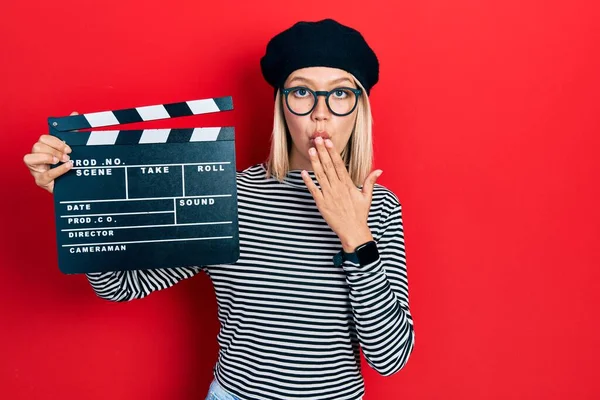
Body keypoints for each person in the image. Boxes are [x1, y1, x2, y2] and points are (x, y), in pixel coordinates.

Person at [23, 18, 415, 400]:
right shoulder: (231, 194)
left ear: (359, 106)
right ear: (282, 103)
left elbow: (390, 358)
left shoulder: (378, 206)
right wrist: (78, 196)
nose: (320, 112)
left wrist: (355, 237)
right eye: (302, 91)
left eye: (341, 93)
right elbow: (122, 286)